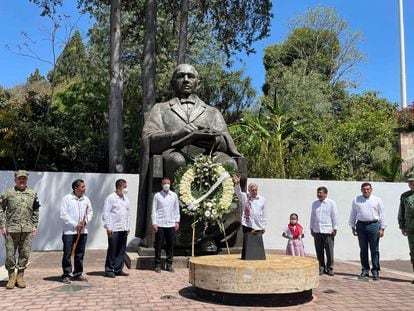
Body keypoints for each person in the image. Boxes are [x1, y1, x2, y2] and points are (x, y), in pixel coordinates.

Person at [137, 63, 241, 240]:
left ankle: (213, 232)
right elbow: (148, 138)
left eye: (190, 76)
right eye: (181, 76)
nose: (186, 80)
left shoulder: (212, 112)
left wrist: (211, 139)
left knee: (228, 163)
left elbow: (226, 140)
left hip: (208, 155)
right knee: (176, 161)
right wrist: (179, 134)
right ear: (173, 83)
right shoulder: (160, 109)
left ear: (198, 83)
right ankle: (181, 232)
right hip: (175, 154)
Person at [0, 170, 40, 289]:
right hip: (11, 230)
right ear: (15, 180)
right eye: (19, 178)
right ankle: (11, 277)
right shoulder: (8, 193)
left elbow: (36, 210)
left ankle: (20, 277)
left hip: (27, 229)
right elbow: (1, 209)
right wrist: (3, 225)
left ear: (27, 180)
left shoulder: (32, 194)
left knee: (25, 254)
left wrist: (34, 225)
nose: (22, 180)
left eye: (24, 178)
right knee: (10, 255)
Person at [349, 182, 385, 280]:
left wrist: (382, 228)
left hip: (373, 225)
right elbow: (353, 213)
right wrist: (352, 226)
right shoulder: (356, 200)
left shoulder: (377, 200)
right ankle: (365, 270)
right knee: (363, 249)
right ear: (361, 190)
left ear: (371, 190)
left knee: (375, 249)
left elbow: (382, 214)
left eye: (368, 189)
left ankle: (375, 271)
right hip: (360, 225)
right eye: (364, 189)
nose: (366, 191)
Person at [60, 179, 93, 284]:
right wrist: (75, 224)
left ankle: (78, 273)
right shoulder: (67, 199)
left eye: (84, 186)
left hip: (82, 231)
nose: (84, 188)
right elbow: (63, 215)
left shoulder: (86, 199)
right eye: (82, 187)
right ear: (75, 188)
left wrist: (85, 222)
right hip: (69, 232)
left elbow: (90, 212)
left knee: (80, 253)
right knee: (67, 254)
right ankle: (66, 274)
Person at [102, 179, 130, 278]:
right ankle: (109, 270)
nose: (126, 189)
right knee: (112, 249)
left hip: (123, 228)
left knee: (121, 250)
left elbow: (127, 214)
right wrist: (108, 227)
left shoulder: (126, 199)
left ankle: (118, 269)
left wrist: (127, 227)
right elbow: (106, 213)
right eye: (125, 187)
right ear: (119, 187)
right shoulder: (110, 198)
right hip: (113, 228)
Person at [151, 177, 180, 273]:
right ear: (161, 184)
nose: (166, 185)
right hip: (160, 224)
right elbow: (154, 210)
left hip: (171, 224)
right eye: (165, 183)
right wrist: (154, 223)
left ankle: (169, 264)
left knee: (170, 245)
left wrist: (177, 221)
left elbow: (176, 209)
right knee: (158, 245)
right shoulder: (157, 196)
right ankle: (157, 264)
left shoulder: (174, 195)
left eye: (168, 183)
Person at [310, 187, 338, 276]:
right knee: (319, 251)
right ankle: (321, 267)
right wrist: (311, 227)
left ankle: (330, 268)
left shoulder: (331, 203)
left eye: (321, 193)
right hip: (317, 230)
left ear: (326, 194)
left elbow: (334, 216)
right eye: (318, 193)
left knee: (329, 251)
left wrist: (335, 228)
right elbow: (313, 216)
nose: (319, 194)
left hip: (328, 231)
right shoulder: (315, 204)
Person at [398, 175, 414, 284]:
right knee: (413, 253)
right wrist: (402, 226)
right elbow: (401, 212)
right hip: (410, 228)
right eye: (410, 182)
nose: (412, 184)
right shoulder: (405, 196)